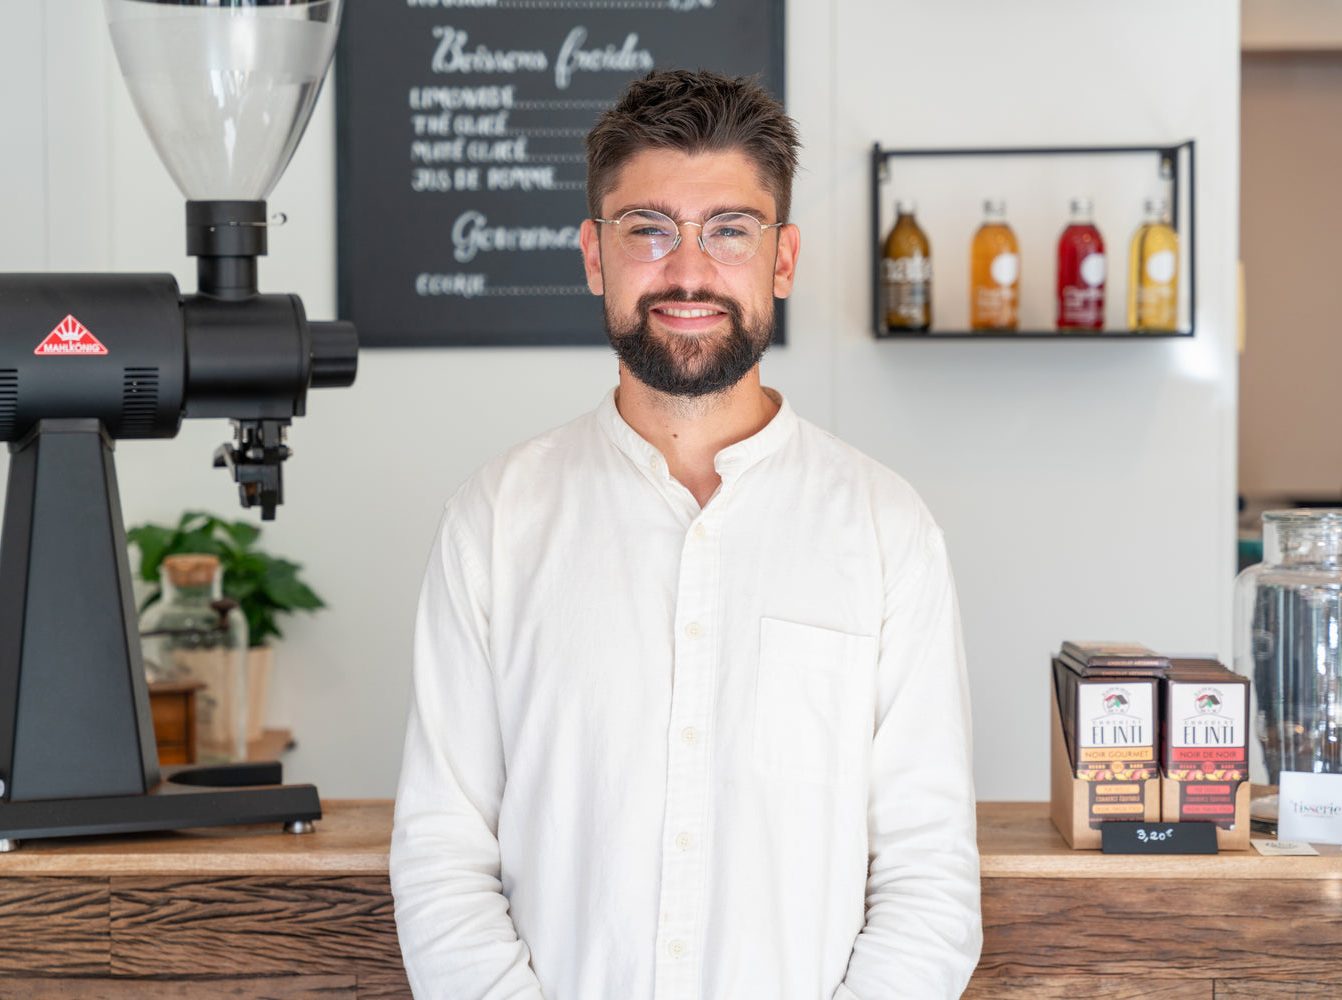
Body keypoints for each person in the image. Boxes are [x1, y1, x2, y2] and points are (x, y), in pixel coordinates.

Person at [391, 69, 982, 1000]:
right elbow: (441, 849)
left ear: (782, 260)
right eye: (648, 230)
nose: (689, 270)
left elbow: (927, 876)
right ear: (594, 255)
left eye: (730, 231)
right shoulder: (497, 521)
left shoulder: (884, 529)